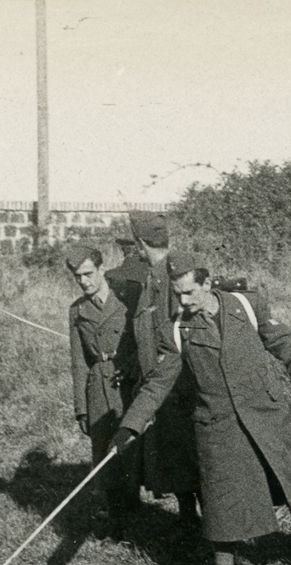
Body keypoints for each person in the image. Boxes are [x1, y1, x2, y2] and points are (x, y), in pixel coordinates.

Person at [108, 255, 291, 565]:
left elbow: (282, 339)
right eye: (178, 295)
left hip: (264, 411)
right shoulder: (176, 329)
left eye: (190, 292)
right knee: (221, 499)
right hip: (216, 422)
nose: (184, 301)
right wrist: (129, 426)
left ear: (207, 284)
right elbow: (158, 383)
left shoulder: (247, 306)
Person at [124, 210, 202, 528]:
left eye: (136, 243)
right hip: (163, 385)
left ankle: (207, 530)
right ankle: (188, 522)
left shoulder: (171, 276)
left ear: (142, 243)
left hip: (178, 387)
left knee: (190, 460)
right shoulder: (153, 275)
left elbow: (183, 332)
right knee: (176, 460)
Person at [66, 244, 138, 531]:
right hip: (98, 384)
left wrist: (131, 367)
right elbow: (78, 362)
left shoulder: (126, 297)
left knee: (133, 448)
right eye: (77, 277)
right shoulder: (77, 310)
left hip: (127, 381)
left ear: (101, 269)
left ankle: (134, 507)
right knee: (101, 450)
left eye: (88, 274)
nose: (84, 281)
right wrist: (80, 407)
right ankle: (111, 511)